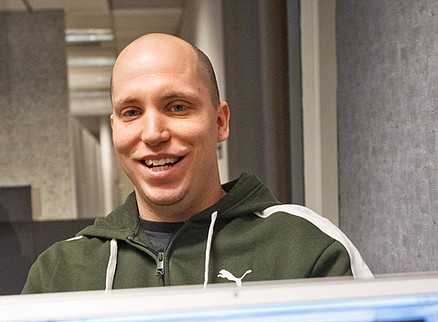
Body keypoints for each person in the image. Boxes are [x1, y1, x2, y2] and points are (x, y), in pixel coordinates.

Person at [22, 33, 371, 294]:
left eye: (177, 107)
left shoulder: (307, 249)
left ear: (220, 122)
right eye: (131, 112)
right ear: (115, 130)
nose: (153, 133)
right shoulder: (58, 274)